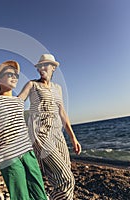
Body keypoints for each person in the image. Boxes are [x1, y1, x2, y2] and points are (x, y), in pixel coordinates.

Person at [0, 60, 48, 200]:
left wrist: (44, 73)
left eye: (16, 75)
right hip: (8, 156)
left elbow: (30, 85)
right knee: (20, 195)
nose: (14, 77)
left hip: (27, 152)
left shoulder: (19, 101)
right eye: (10, 74)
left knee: (39, 193)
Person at [18, 54, 81, 200]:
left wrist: (73, 138)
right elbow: (18, 102)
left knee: (63, 178)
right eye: (40, 66)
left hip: (57, 134)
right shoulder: (32, 85)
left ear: (53, 68)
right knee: (67, 179)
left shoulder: (57, 88)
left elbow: (62, 113)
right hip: (40, 134)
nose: (41, 68)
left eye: (45, 65)